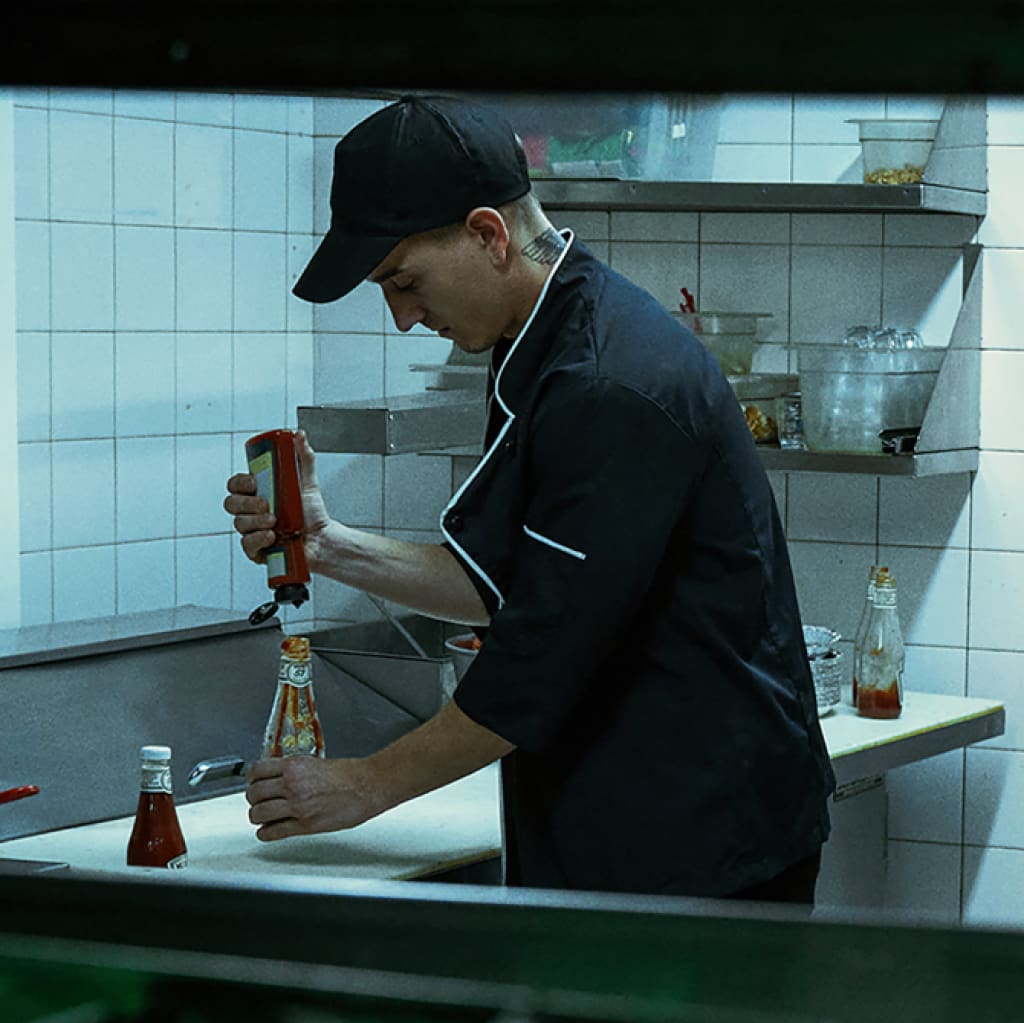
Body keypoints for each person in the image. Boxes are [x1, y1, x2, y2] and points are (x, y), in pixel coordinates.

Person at [224, 94, 835, 904]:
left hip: (697, 841)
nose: (403, 317)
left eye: (404, 280)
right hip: (620, 819)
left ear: (487, 234)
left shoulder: (609, 382)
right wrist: (327, 543)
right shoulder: (542, 346)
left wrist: (365, 785)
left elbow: (541, 655)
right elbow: (504, 585)